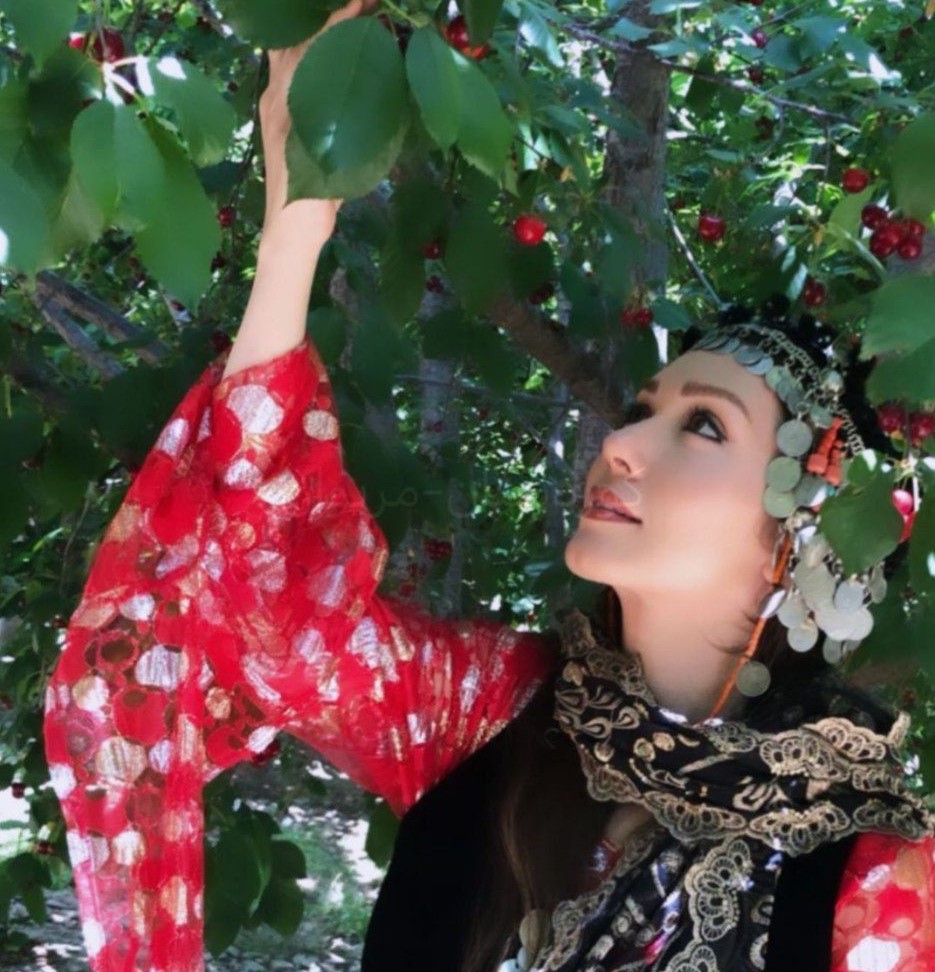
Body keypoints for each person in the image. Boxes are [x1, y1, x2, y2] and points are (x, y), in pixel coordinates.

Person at [42, 3, 935, 970]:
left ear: (802, 531)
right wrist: (296, 223)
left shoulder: (873, 871)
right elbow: (259, 590)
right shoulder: (488, 710)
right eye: (641, 409)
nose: (622, 442)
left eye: (703, 426)